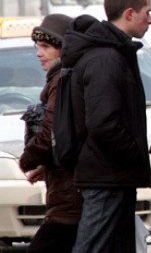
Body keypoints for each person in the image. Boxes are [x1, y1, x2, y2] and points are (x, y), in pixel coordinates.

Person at [62, 0, 151, 253]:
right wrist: (134, 155)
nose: (150, 20)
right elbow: (103, 124)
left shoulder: (115, 53)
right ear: (129, 14)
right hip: (107, 176)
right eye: (147, 12)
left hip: (113, 175)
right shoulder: (106, 58)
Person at [18, 14, 83, 253]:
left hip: (70, 196)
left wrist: (27, 160)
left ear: (63, 48)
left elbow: (51, 132)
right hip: (68, 189)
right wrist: (45, 167)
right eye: (38, 46)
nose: (39, 53)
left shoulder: (63, 79)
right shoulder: (63, 77)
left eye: (46, 46)